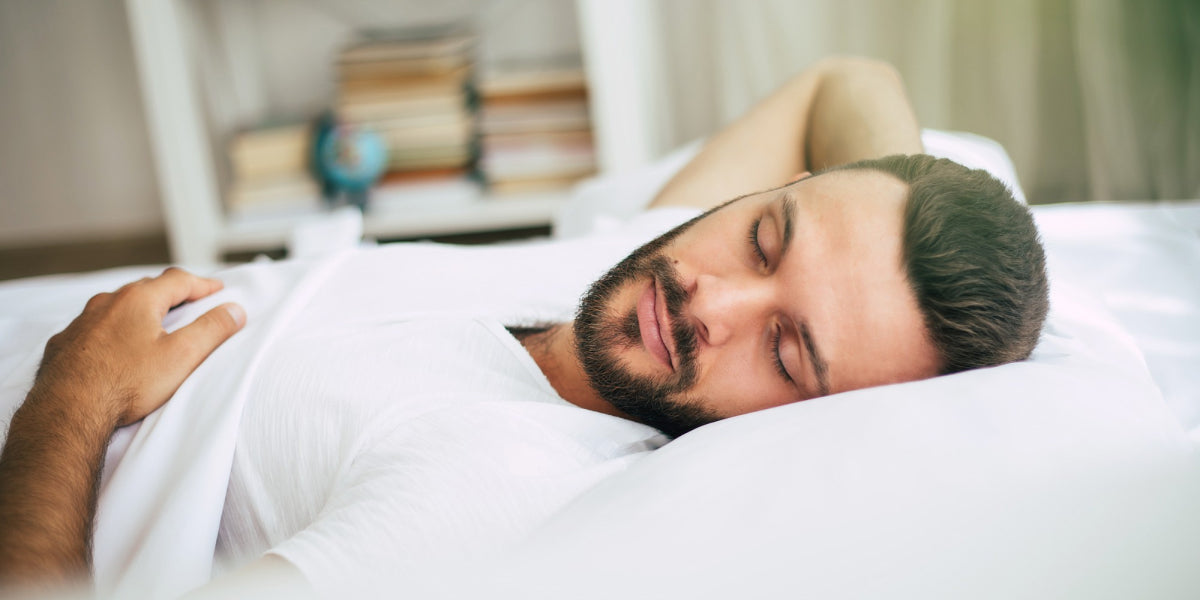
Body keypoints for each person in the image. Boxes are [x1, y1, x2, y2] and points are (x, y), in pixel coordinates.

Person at [0, 57, 1048, 595]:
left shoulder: (482, 490)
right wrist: (903, 198)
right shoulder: (604, 271)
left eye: (788, 351)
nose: (705, 303)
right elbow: (848, 81)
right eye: (766, 241)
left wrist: (73, 393)